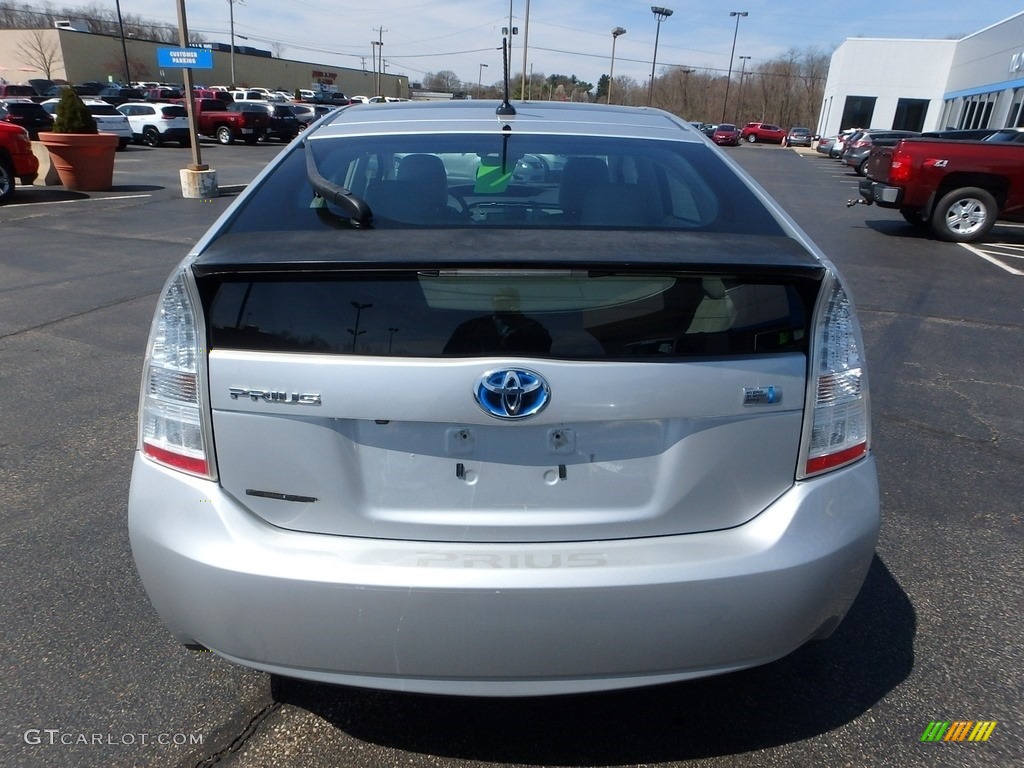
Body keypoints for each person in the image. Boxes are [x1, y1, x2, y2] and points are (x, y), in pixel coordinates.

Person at [443, 288, 552, 355]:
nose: (504, 305)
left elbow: (546, 347)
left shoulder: (532, 327)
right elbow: (449, 354)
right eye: (501, 301)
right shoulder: (471, 327)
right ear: (493, 302)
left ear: (517, 303)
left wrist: (521, 324)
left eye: (509, 301)